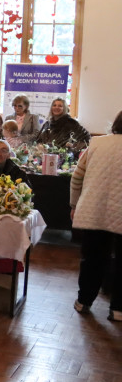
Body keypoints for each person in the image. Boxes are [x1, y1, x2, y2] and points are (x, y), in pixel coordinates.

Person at [70, 110, 122, 322]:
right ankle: (118, 309)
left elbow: (77, 177)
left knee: (92, 258)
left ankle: (84, 301)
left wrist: (74, 204)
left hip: (93, 209)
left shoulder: (97, 143)